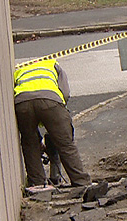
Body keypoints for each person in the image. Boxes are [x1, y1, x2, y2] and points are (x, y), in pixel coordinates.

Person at [14, 59, 91, 192]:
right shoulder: (53, 65)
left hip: (22, 104)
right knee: (65, 144)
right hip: (50, 101)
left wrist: (38, 139)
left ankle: (38, 185)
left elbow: (31, 104)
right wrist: (58, 116)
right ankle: (81, 182)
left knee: (29, 144)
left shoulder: (19, 70)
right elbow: (65, 92)